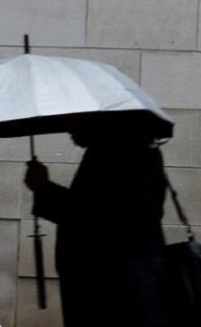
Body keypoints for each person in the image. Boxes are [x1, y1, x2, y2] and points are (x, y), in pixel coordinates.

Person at [24, 119, 172, 327]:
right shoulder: (125, 150)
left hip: (113, 293)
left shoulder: (120, 154)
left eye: (76, 120)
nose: (69, 129)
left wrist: (43, 188)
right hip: (120, 290)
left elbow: (98, 219)